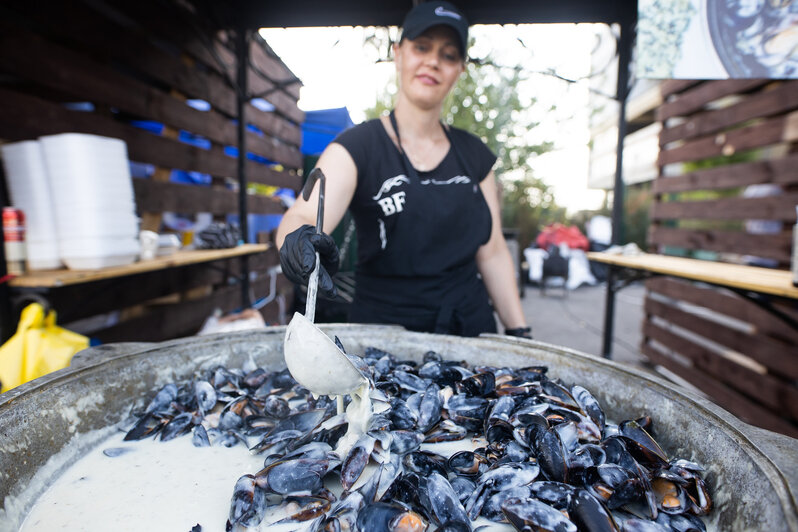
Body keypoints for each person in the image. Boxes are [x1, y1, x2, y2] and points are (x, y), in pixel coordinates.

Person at [277, 1, 531, 338]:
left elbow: (494, 252)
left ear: (460, 69)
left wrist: (519, 331)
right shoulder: (356, 147)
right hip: (382, 336)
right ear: (398, 54)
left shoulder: (475, 156)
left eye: (449, 54)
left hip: (467, 331)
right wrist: (296, 241)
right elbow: (301, 217)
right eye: (421, 47)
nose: (433, 62)